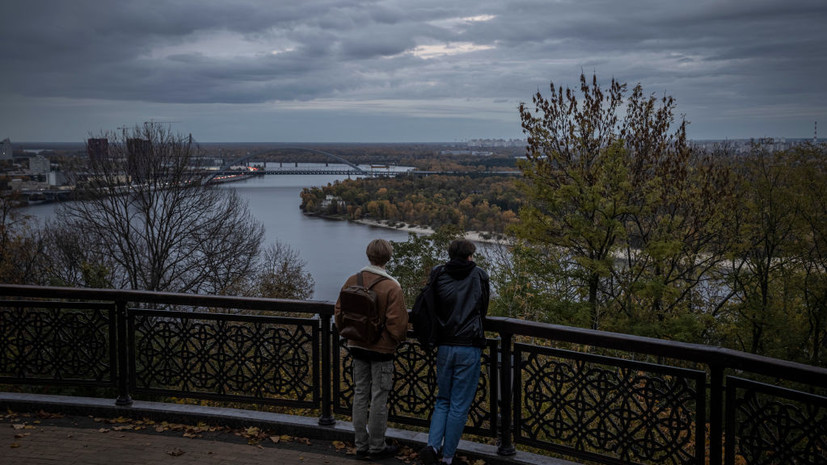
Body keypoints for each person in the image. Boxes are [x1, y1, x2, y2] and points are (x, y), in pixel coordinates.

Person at [335, 238, 408, 460]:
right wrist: (391, 340)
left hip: (356, 345)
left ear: (369, 255)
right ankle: (377, 447)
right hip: (382, 350)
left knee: (359, 393)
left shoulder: (352, 280)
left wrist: (351, 334)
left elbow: (339, 313)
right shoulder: (392, 287)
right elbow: (398, 325)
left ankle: (361, 445)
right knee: (378, 396)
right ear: (388, 257)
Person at [419, 239, 489, 465]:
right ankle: (447, 457)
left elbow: (432, 306)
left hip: (445, 346)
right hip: (469, 346)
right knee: (459, 404)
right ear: (470, 255)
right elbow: (483, 308)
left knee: (443, 400)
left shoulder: (438, 273)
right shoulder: (479, 275)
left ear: (450, 255)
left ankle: (431, 448)